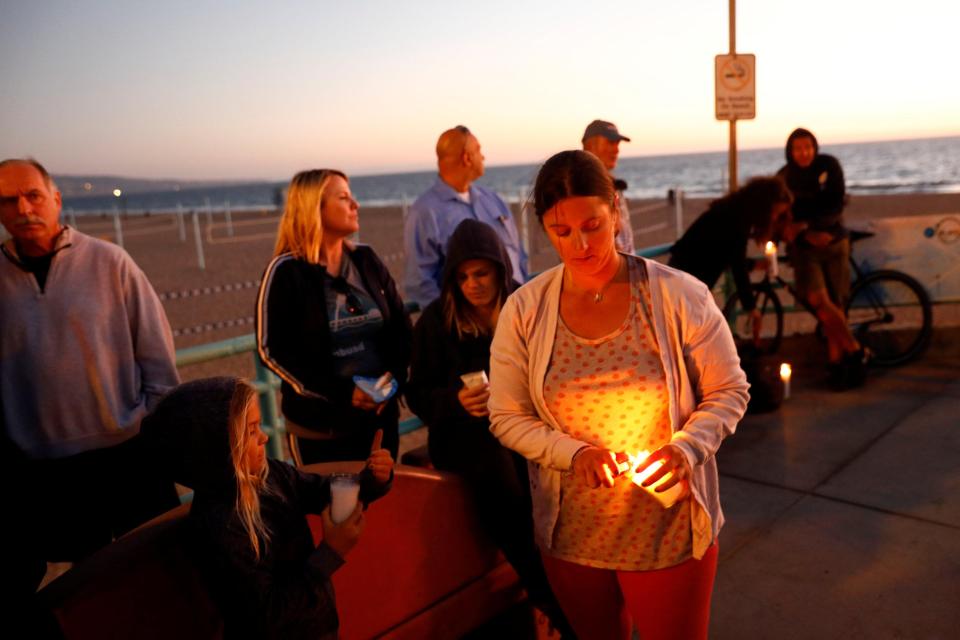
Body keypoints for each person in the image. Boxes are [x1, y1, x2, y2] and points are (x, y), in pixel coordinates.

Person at [488, 150, 750, 640]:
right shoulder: (524, 310)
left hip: (668, 533)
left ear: (616, 211)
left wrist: (686, 448)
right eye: (561, 232)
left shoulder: (679, 295)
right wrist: (573, 453)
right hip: (571, 538)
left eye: (593, 225)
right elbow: (506, 415)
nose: (581, 244)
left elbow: (729, 389)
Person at [0, 158, 180, 624]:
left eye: (33, 195)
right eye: (7, 199)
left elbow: (159, 365)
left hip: (129, 458)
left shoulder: (110, 262)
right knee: (87, 600)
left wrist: (153, 436)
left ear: (56, 199)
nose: (22, 207)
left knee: (163, 583)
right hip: (44, 474)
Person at [407, 218, 574, 638]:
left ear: (500, 269)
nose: (472, 285)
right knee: (506, 484)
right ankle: (550, 599)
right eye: (462, 276)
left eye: (481, 273)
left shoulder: (525, 306)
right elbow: (417, 393)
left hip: (523, 421)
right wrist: (454, 401)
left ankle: (567, 588)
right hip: (465, 434)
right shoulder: (436, 320)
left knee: (550, 477)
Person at [139, 377, 394, 639]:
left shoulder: (272, 474)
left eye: (259, 425)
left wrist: (372, 479)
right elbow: (266, 616)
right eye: (251, 431)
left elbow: (323, 491)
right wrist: (331, 553)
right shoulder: (221, 524)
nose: (264, 436)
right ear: (214, 449)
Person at [257, 169, 411, 463]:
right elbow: (271, 350)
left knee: (383, 503)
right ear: (313, 208)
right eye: (343, 198)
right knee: (333, 509)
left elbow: (401, 326)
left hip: (380, 419)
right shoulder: (286, 271)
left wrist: (395, 378)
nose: (356, 205)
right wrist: (343, 393)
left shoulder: (366, 259)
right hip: (322, 429)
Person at [777, 127, 867, 389]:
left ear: (815, 148)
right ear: (790, 152)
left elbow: (835, 204)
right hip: (805, 251)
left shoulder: (829, 165)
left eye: (808, 147)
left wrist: (808, 225)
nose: (803, 153)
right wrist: (806, 234)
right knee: (819, 301)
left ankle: (836, 364)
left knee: (836, 305)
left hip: (835, 242)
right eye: (797, 148)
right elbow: (783, 218)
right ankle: (855, 349)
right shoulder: (784, 177)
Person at [403, 125, 528, 307]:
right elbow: (419, 282)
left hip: (520, 313)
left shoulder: (493, 200)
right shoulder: (424, 212)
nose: (483, 157)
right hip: (471, 329)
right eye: (478, 150)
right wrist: (455, 322)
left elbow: (518, 254)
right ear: (467, 158)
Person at [669, 176, 794, 342]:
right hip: (686, 282)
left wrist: (753, 264)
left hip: (682, 277)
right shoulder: (737, 219)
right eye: (775, 213)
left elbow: (726, 252)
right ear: (763, 206)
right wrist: (752, 308)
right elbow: (737, 267)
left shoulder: (732, 211)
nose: (773, 219)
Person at [582, 119, 635, 254]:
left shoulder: (610, 184)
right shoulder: (582, 188)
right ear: (590, 146)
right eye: (611, 142)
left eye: (617, 143)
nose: (617, 149)